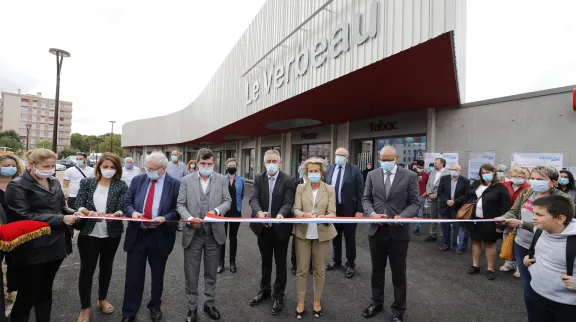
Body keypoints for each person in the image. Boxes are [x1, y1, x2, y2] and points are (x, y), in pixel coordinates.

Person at [6, 149, 78, 322]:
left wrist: (78, 213)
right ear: (31, 165)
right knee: (28, 294)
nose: (51, 169)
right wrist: (61, 218)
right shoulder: (17, 185)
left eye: (53, 165)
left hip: (57, 245)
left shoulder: (53, 182)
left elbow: (61, 206)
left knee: (45, 291)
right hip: (33, 248)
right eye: (46, 166)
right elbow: (23, 215)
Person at [496, 166, 573, 304]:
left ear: (554, 182)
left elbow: (561, 226)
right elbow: (513, 211)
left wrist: (521, 223)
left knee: (546, 288)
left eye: (540, 179)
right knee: (528, 287)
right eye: (533, 178)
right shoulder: (527, 192)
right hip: (522, 244)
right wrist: (504, 217)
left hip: (547, 248)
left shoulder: (563, 200)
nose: (535, 182)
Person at [361, 146, 420, 322]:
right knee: (377, 271)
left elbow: (415, 202)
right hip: (377, 230)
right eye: (382, 159)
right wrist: (371, 214)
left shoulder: (409, 176)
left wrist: (403, 216)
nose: (385, 163)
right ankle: (376, 302)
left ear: (396, 158)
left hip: (399, 232)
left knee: (398, 273)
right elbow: (366, 199)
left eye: (389, 159)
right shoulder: (372, 175)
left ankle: (398, 310)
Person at [121, 152, 181, 322]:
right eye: (147, 167)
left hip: (160, 236)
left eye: (153, 169)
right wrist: (133, 213)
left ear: (163, 169)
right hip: (137, 234)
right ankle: (129, 312)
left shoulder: (174, 184)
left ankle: (155, 306)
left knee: (158, 275)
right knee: (133, 276)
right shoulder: (138, 180)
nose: (149, 171)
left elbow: (178, 210)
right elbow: (127, 203)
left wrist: (166, 218)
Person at [177, 148, 231, 322]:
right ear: (197, 163)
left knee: (211, 273)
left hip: (213, 234)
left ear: (214, 163)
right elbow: (180, 204)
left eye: (209, 164)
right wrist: (190, 218)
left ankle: (209, 303)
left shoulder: (222, 180)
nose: (206, 166)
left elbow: (227, 201)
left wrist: (215, 211)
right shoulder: (186, 180)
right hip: (193, 234)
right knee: (191, 273)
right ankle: (192, 308)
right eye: (203, 164)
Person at [74, 153, 128, 322]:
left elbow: (123, 206)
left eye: (112, 167)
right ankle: (85, 308)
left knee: (106, 268)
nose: (108, 170)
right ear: (99, 167)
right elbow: (78, 204)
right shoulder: (87, 183)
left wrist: (117, 214)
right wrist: (89, 213)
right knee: (87, 271)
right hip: (89, 234)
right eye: (105, 167)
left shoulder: (121, 185)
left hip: (111, 234)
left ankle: (102, 299)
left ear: (117, 169)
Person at [248, 150, 295, 316]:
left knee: (281, 263)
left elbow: (288, 202)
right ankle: (265, 290)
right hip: (263, 228)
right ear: (264, 162)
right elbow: (253, 199)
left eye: (274, 160)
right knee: (265, 261)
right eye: (268, 161)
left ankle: (278, 294)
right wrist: (259, 212)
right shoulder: (259, 178)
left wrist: (281, 214)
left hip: (280, 229)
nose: (271, 164)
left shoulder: (288, 180)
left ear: (280, 162)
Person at [293, 157, 337, 319]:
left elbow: (332, 212)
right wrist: (304, 214)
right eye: (310, 171)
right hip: (303, 233)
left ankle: (317, 301)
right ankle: (301, 301)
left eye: (315, 171)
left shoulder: (330, 189)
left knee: (319, 270)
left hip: (322, 234)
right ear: (306, 172)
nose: (312, 174)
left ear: (322, 172)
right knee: (302, 269)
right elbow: (295, 209)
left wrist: (323, 216)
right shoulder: (300, 188)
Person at [523, 195, 576, 321]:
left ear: (560, 218)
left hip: (567, 306)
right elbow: (545, 254)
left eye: (540, 215)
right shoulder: (541, 230)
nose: (533, 218)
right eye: (534, 213)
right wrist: (530, 259)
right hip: (536, 296)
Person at [466, 164, 511, 280]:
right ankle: (475, 265)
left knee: (490, 244)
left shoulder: (500, 187)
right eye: (483, 173)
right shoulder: (476, 184)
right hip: (475, 219)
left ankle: (490, 268)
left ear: (494, 172)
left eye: (488, 172)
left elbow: (505, 206)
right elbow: (469, 197)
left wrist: (501, 224)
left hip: (491, 221)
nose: (486, 175)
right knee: (475, 242)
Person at [324, 147, 364, 278]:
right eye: (337, 155)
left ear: (347, 157)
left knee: (349, 238)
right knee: (335, 236)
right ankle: (336, 260)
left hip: (350, 210)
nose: (339, 157)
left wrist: (359, 209)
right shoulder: (329, 169)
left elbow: (360, 191)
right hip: (333, 210)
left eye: (342, 155)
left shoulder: (354, 170)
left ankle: (350, 264)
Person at [0, 154, 22, 304]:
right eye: (5, 165)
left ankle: (11, 291)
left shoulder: (19, 184)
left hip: (16, 230)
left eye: (12, 165)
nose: (10, 168)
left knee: (14, 261)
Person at [500, 167, 530, 275]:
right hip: (508, 216)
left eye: (520, 177)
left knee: (520, 243)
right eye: (515, 176)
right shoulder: (505, 185)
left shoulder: (528, 187)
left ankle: (519, 266)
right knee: (507, 238)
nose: (517, 178)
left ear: (525, 177)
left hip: (522, 219)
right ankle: (509, 263)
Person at [218, 158, 245, 274]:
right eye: (229, 165)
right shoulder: (221, 179)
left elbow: (242, 195)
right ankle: (220, 263)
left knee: (233, 238)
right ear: (226, 167)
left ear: (237, 167)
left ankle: (232, 262)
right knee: (222, 238)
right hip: (224, 213)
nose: (231, 167)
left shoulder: (241, 180)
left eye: (233, 165)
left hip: (236, 212)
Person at [437, 164, 470, 253]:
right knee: (445, 227)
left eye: (456, 169)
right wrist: (447, 201)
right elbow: (440, 192)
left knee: (457, 227)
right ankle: (445, 244)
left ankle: (456, 246)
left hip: (457, 208)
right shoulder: (444, 179)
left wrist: (455, 201)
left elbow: (466, 195)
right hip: (445, 206)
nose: (454, 171)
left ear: (460, 171)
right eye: (452, 169)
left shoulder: (465, 181)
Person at [424, 158, 450, 242]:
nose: (434, 164)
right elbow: (427, 184)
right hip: (431, 198)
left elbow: (447, 187)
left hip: (441, 199)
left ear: (442, 164)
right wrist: (429, 193)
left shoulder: (448, 173)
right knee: (433, 217)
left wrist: (437, 194)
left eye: (436, 163)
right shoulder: (432, 172)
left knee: (441, 218)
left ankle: (443, 236)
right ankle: (433, 234)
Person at [412, 160, 429, 235]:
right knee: (409, 213)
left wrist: (425, 194)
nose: (419, 167)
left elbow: (428, 186)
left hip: (421, 196)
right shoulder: (412, 174)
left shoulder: (426, 175)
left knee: (420, 213)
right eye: (418, 165)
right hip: (411, 196)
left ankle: (417, 228)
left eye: (421, 165)